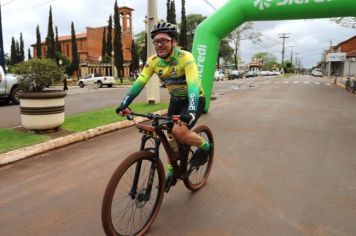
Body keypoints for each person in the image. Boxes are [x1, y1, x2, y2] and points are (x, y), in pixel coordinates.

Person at [116, 21, 212, 180]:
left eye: (164, 41)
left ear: (173, 42)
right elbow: (140, 83)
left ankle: (206, 146)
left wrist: (191, 113)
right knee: (170, 136)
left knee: (179, 131)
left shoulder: (185, 57)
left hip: (193, 99)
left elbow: (193, 86)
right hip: (176, 100)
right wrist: (124, 104)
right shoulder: (153, 61)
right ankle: (171, 169)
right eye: (156, 41)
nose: (160, 44)